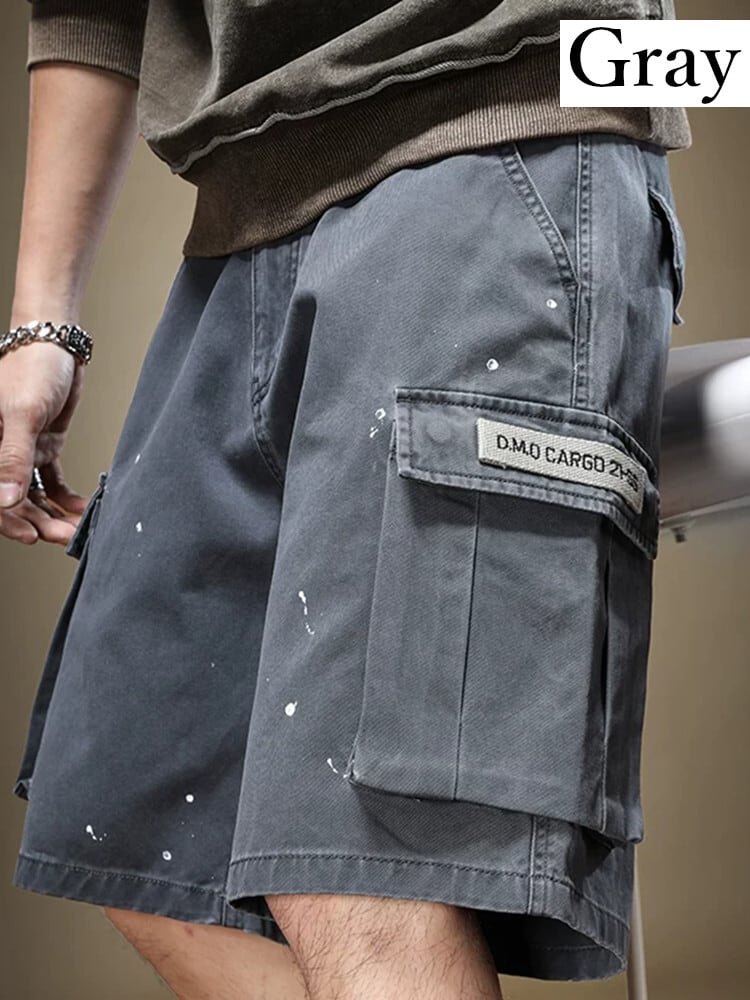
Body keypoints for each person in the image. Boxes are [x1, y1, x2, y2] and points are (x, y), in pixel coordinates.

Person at [2, 2, 690, 998]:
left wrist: (620, 68)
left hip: (489, 143)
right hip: (239, 213)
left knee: (360, 878)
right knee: (147, 848)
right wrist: (42, 325)